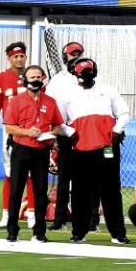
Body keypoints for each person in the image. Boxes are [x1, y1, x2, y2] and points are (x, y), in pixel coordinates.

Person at [58, 58, 131, 244]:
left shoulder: (108, 90)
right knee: (80, 192)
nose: (85, 77)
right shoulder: (67, 94)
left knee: (111, 190)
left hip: (107, 147)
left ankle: (118, 233)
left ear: (94, 72)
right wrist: (70, 131)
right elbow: (58, 120)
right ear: (76, 75)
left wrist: (117, 130)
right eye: (82, 74)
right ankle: (79, 232)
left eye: (89, 73)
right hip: (80, 149)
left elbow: (124, 113)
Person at [3, 65, 64, 243]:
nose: (36, 80)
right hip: (21, 149)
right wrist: (27, 132)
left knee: (40, 191)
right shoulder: (16, 101)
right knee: (16, 190)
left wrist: (51, 134)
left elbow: (58, 125)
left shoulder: (50, 101)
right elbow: (8, 126)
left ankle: (39, 232)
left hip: (41, 150)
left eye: (39, 76)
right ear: (25, 80)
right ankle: (12, 230)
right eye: (32, 77)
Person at [0, 42, 30, 229]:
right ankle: (6, 213)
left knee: (31, 173)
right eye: (15, 56)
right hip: (11, 130)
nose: (19, 59)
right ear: (9, 58)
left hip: (32, 131)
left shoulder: (34, 75)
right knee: (10, 173)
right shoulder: (0, 78)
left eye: (22, 56)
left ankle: (32, 214)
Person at [47, 42, 86, 231]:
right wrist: (53, 136)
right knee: (63, 178)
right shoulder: (57, 80)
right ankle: (59, 218)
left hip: (86, 133)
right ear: (65, 57)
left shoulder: (91, 75)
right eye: (72, 54)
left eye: (78, 53)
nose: (75, 57)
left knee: (86, 179)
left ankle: (87, 219)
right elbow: (50, 107)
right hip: (64, 132)